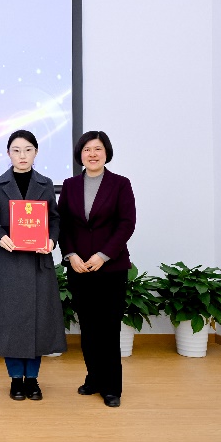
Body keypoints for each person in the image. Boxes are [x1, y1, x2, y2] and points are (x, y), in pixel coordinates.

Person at [0, 130, 66, 401]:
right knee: (12, 321)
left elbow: (55, 220)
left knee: (38, 321)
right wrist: (0, 237)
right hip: (11, 261)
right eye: (16, 150)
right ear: (8, 153)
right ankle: (16, 379)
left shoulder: (45, 183)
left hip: (38, 261)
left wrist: (51, 240)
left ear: (36, 152)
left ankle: (33, 379)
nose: (22, 155)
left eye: (28, 150)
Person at [58, 131, 136, 408]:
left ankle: (112, 387)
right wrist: (70, 255)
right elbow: (62, 225)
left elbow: (126, 224)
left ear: (106, 152)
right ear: (80, 154)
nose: (92, 154)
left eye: (98, 149)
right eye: (87, 149)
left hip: (111, 268)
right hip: (79, 268)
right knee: (89, 327)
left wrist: (103, 255)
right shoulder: (69, 185)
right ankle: (93, 378)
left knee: (108, 328)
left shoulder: (120, 184)